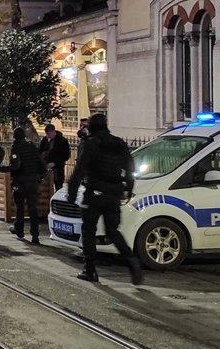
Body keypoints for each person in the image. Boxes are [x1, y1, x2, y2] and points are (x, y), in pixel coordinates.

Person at [67, 113, 142, 285]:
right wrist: (128, 188)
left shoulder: (91, 144)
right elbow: (130, 167)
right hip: (113, 193)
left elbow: (80, 169)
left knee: (88, 231)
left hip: (94, 193)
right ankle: (131, 260)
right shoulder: (118, 143)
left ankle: (90, 269)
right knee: (112, 230)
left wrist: (72, 193)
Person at [2, 127, 44, 244]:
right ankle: (35, 235)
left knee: (20, 207)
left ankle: (19, 230)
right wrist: (39, 178)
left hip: (21, 182)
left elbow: (16, 166)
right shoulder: (32, 146)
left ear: (15, 136)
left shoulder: (16, 148)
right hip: (33, 182)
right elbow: (41, 164)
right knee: (33, 208)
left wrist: (3, 168)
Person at [38, 123, 72, 188]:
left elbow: (66, 155)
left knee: (58, 186)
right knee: (45, 188)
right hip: (45, 167)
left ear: (54, 132)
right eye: (47, 134)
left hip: (57, 168)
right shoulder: (45, 140)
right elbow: (40, 151)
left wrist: (55, 163)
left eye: (49, 134)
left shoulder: (62, 141)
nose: (48, 136)